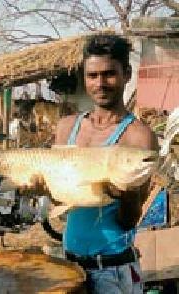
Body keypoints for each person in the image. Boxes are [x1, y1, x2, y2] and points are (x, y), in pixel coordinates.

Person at [54, 35, 158, 293]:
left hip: (113, 270)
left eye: (109, 74)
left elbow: (130, 220)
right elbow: (62, 202)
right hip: (70, 265)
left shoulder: (138, 137)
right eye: (92, 76)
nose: (100, 83)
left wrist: (124, 195)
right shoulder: (67, 128)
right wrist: (41, 187)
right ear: (84, 78)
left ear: (127, 74)